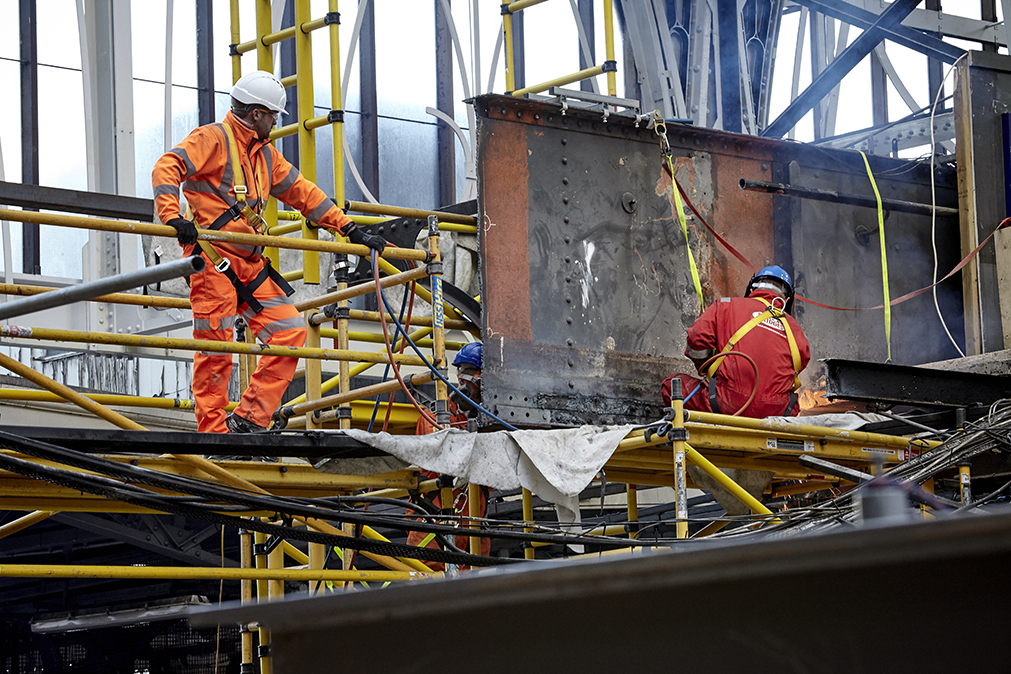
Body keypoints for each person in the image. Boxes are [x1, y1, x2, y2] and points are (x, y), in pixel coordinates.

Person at [152, 70, 387, 434]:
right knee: (216, 348)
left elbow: (302, 192)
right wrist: (172, 215)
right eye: (274, 115)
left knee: (290, 332)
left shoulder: (265, 156)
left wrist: (348, 226)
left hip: (248, 264)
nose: (277, 122)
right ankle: (213, 433)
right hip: (213, 263)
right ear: (257, 113)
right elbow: (168, 166)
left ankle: (249, 420)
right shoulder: (212, 139)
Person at [662, 266, 811, 417]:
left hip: (724, 404)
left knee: (671, 385)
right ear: (787, 299)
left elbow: (697, 339)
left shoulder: (725, 305)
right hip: (777, 414)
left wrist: (707, 368)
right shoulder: (796, 330)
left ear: (751, 289)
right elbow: (798, 367)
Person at [409, 342, 490, 568]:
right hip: (434, 527)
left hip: (474, 527)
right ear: (465, 381)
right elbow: (450, 458)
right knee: (433, 593)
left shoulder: (491, 423)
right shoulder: (434, 417)